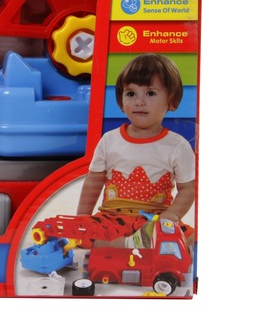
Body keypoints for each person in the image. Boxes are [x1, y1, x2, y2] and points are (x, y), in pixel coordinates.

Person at [77, 53, 196, 245]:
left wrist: (172, 214)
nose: (139, 102)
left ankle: (132, 244)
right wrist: (82, 217)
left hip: (155, 220)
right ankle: (129, 245)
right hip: (112, 219)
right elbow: (93, 181)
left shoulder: (178, 146)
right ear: (121, 100)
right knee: (89, 237)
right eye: (131, 93)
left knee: (193, 240)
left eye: (150, 93)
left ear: (171, 100)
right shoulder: (109, 140)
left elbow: (187, 189)